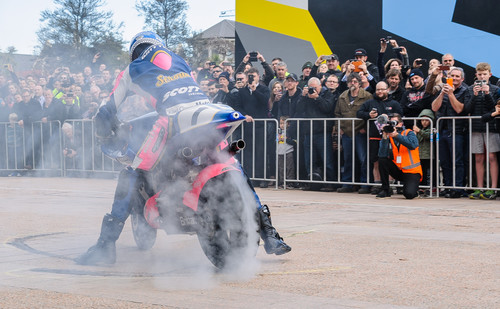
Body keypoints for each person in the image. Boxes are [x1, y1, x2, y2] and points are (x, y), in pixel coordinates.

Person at [76, 31, 290, 266]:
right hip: (205, 114)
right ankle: (269, 233)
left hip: (172, 120)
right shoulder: (180, 60)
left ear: (134, 52)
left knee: (131, 173)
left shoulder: (131, 69)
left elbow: (107, 111)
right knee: (231, 164)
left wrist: (103, 133)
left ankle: (105, 246)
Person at [357, 81, 403, 194]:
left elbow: (401, 115)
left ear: (387, 90)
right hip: (375, 137)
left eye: (382, 89)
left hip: (391, 137)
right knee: (376, 162)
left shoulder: (395, 103)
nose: (380, 91)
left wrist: (391, 117)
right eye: (378, 89)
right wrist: (369, 115)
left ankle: (390, 186)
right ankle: (377, 185)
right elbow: (359, 113)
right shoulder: (370, 103)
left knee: (390, 161)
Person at [431, 67, 471, 198]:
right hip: (443, 130)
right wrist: (443, 93)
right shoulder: (443, 88)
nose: (454, 78)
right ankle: (447, 186)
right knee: (445, 161)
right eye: (451, 75)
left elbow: (460, 109)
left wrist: (451, 94)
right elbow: (434, 108)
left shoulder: (465, 91)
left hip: (458, 131)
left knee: (458, 161)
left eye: (457, 76)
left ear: (462, 78)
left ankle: (458, 188)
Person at [463, 62, 500, 200]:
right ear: (476, 75)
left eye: (484, 74)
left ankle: (493, 188)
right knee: (478, 158)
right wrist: (474, 95)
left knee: (491, 157)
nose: (482, 76)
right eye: (480, 74)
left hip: (491, 127)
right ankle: (479, 188)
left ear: (490, 74)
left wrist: (487, 93)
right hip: (476, 127)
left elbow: (494, 108)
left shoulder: (495, 89)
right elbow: (467, 109)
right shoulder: (470, 89)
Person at [295, 77, 336, 189]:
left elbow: (327, 108)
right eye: (311, 88)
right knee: (309, 160)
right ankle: (312, 183)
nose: (313, 90)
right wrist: (303, 96)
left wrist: (317, 98)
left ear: (320, 86)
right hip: (308, 132)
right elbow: (298, 109)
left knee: (327, 160)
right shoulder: (306, 96)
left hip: (322, 132)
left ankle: (330, 183)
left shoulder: (327, 94)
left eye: (315, 88)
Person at [335, 73, 373, 193]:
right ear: (347, 83)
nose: (353, 83)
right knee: (348, 159)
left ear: (359, 83)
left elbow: (371, 113)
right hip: (346, 132)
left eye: (355, 81)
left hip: (360, 132)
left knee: (363, 159)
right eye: (351, 81)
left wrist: (366, 128)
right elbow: (337, 114)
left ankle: (365, 184)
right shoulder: (342, 96)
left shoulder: (367, 96)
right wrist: (339, 127)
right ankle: (347, 184)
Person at [376, 113, 422, 199]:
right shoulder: (389, 135)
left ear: (401, 124)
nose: (392, 125)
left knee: (409, 194)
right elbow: (382, 154)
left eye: (394, 122)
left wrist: (397, 135)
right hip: (398, 169)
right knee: (382, 160)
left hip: (411, 171)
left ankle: (414, 189)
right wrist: (384, 138)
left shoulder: (409, 132)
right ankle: (385, 189)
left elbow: (413, 145)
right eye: (390, 122)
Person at [413, 109, 435, 196]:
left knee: (430, 172)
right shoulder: (419, 129)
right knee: (423, 172)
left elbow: (428, 135)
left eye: (426, 120)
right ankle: (422, 187)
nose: (424, 122)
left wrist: (419, 131)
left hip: (429, 155)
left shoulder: (432, 129)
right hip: (420, 154)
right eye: (422, 120)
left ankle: (430, 187)